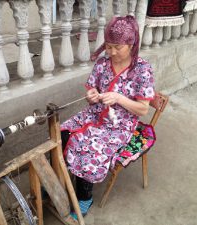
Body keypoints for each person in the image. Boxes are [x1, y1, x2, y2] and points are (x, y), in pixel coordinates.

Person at [60, 15, 156, 219]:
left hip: (118, 126)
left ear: (131, 44)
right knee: (63, 133)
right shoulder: (104, 63)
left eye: (117, 47)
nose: (111, 52)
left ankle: (84, 198)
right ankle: (60, 183)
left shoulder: (142, 70)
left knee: (86, 151)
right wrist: (92, 95)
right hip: (95, 115)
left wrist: (119, 98)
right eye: (108, 46)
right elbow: (92, 91)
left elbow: (143, 110)